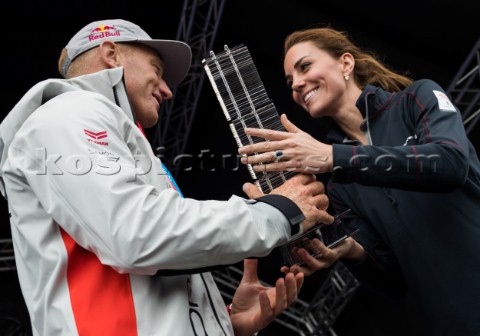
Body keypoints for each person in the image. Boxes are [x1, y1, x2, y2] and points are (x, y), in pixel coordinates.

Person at [0, 19, 335, 336]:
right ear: (111, 53)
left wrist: (224, 323)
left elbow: (146, 260)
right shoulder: (68, 114)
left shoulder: (111, 134)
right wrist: (277, 211)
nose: (167, 90)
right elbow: (134, 234)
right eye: (157, 71)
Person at [237, 26, 480, 335]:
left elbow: (451, 163)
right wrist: (348, 250)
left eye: (305, 66)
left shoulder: (416, 99)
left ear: (346, 63)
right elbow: (394, 281)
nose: (297, 84)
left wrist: (333, 157)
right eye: (290, 82)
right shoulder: (340, 185)